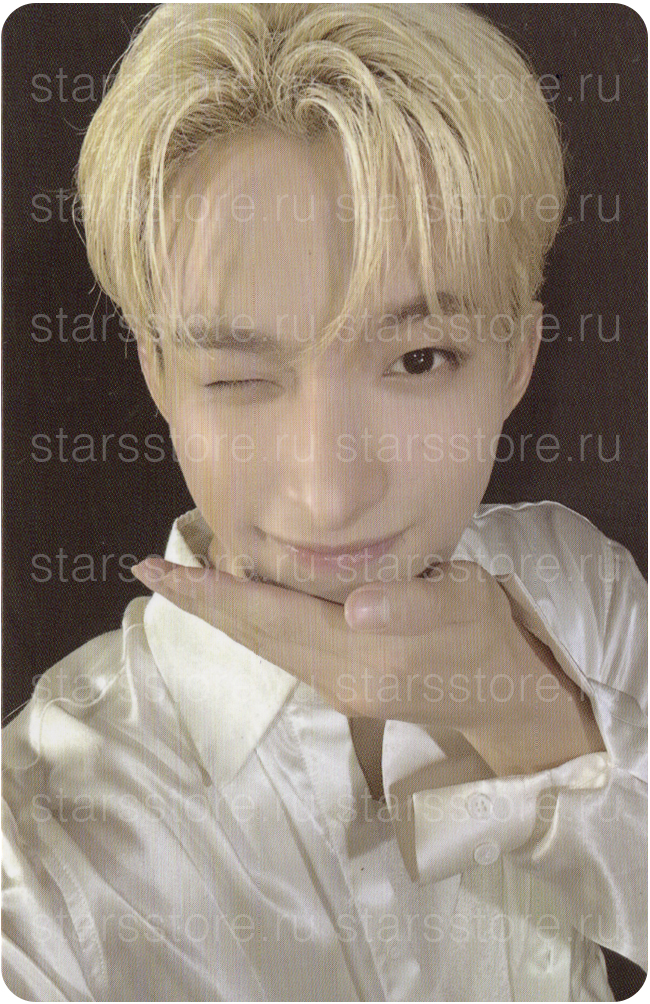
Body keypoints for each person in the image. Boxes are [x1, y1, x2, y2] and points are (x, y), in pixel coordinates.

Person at [2, 4, 646, 1000]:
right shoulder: (40, 832)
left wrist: (537, 721)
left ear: (517, 360)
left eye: (418, 359)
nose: (330, 491)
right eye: (239, 377)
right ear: (159, 375)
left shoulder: (585, 592)